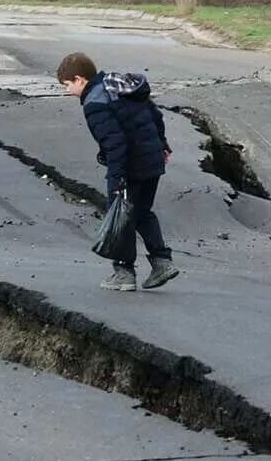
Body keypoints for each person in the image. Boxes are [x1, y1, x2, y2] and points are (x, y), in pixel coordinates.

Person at [57, 52, 179, 292]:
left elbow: (115, 143)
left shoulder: (95, 103)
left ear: (80, 79)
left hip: (131, 166)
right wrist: (162, 146)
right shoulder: (121, 86)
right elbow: (156, 116)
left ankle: (124, 273)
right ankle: (162, 262)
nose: (67, 91)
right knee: (142, 212)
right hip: (153, 160)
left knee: (120, 218)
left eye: (67, 85)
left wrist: (116, 179)